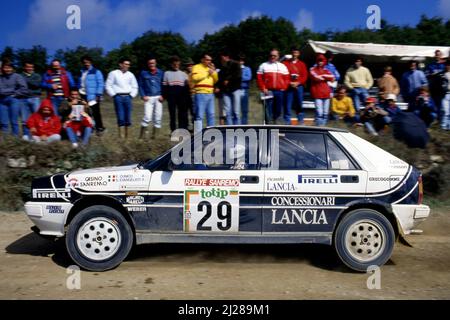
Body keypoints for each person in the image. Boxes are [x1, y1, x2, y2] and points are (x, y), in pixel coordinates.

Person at [105, 57, 138, 139]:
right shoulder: (113, 73)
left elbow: (135, 86)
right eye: (126, 64)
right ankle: (121, 137)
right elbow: (108, 85)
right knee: (120, 116)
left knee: (128, 116)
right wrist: (114, 95)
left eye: (129, 65)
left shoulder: (131, 75)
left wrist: (131, 95)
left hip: (128, 97)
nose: (127, 66)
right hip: (118, 97)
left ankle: (128, 137)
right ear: (120, 64)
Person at [257, 49, 289, 124]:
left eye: (275, 55)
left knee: (278, 109)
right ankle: (269, 124)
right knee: (268, 109)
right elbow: (259, 78)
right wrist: (263, 88)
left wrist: (284, 88)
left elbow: (287, 78)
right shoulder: (263, 65)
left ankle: (276, 123)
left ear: (278, 56)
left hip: (279, 91)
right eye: (271, 55)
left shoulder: (282, 66)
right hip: (268, 91)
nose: (273, 57)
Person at [0, 59, 28, 137]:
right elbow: (0, 91)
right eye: (5, 67)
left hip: (14, 100)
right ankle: (5, 140)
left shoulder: (17, 76)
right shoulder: (1, 78)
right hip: (2, 101)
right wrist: (13, 89)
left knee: (14, 121)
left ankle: (15, 139)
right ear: (2, 68)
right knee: (3, 122)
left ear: (12, 68)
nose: (7, 69)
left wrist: (14, 94)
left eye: (9, 67)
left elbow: (24, 89)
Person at [191, 53, 218, 132]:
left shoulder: (210, 68)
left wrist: (213, 72)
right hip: (200, 93)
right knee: (199, 115)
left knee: (211, 114)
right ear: (202, 60)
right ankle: (198, 133)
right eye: (207, 60)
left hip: (210, 93)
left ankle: (211, 134)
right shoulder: (196, 67)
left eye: (210, 60)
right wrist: (207, 73)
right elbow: (195, 78)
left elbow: (216, 80)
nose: (209, 61)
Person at [138, 57, 164, 139]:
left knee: (158, 118)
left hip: (158, 97)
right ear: (148, 64)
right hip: (148, 98)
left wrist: (163, 95)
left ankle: (154, 137)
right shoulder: (143, 73)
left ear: (155, 63)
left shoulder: (161, 73)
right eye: (150, 63)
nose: (151, 65)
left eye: (153, 63)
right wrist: (143, 95)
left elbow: (164, 85)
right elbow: (140, 85)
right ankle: (141, 137)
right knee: (147, 117)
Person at [78, 55, 105, 135]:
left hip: (93, 96)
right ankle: (90, 128)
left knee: (96, 112)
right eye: (84, 62)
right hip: (83, 94)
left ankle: (100, 128)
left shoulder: (97, 72)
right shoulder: (81, 71)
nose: (86, 64)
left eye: (88, 62)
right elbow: (79, 82)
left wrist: (98, 94)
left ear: (91, 62)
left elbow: (101, 83)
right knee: (86, 113)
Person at [162, 56, 189, 132]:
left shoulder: (184, 74)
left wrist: (186, 97)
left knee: (182, 114)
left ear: (179, 63)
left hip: (181, 95)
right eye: (174, 63)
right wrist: (165, 96)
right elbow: (164, 86)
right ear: (171, 64)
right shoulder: (166, 73)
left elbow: (187, 86)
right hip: (171, 96)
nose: (176, 65)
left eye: (177, 63)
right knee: (172, 114)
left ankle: (182, 130)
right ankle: (173, 130)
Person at [283, 46, 308, 124]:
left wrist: (298, 83)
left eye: (296, 52)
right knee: (288, 104)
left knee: (299, 104)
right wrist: (289, 82)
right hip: (289, 86)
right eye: (293, 52)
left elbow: (305, 76)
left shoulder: (302, 64)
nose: (295, 54)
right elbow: (284, 75)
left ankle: (300, 121)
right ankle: (287, 122)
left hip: (299, 86)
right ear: (291, 53)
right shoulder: (285, 63)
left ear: (299, 54)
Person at [217, 50, 242, 125]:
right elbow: (220, 78)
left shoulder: (236, 64)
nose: (221, 60)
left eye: (222, 58)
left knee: (236, 112)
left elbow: (238, 75)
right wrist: (218, 86)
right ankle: (229, 130)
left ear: (226, 57)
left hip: (235, 90)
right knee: (227, 112)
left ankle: (238, 130)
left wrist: (228, 79)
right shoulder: (222, 67)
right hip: (226, 91)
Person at [309, 54, 335, 126]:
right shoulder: (312, 69)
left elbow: (332, 77)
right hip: (317, 94)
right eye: (319, 61)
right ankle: (319, 128)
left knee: (325, 114)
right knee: (319, 113)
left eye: (322, 61)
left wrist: (322, 76)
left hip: (326, 94)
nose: (320, 62)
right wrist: (325, 77)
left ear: (324, 62)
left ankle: (323, 128)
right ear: (317, 61)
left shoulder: (326, 70)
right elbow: (315, 77)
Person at [20, 62, 42, 140]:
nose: (29, 68)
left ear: (33, 68)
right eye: (28, 67)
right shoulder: (20, 76)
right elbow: (19, 86)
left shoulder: (37, 75)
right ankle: (27, 136)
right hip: (23, 99)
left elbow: (37, 85)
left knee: (37, 118)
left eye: (31, 67)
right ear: (24, 67)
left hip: (35, 98)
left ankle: (37, 136)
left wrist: (26, 80)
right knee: (25, 119)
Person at [426, 50, 446, 116]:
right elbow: (426, 74)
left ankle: (440, 121)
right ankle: (435, 120)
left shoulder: (444, 65)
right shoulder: (431, 65)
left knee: (442, 106)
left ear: (441, 56)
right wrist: (432, 74)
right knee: (434, 105)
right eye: (436, 55)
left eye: (439, 55)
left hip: (442, 89)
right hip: (433, 88)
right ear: (435, 55)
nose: (438, 56)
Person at [238, 54, 252, 125]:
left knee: (244, 110)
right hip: (236, 90)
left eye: (242, 60)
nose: (241, 61)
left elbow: (248, 77)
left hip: (244, 90)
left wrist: (239, 78)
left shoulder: (247, 68)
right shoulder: (235, 68)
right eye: (240, 60)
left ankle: (244, 125)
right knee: (236, 110)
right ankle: (235, 126)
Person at [183, 58, 196, 128]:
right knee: (185, 112)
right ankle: (186, 126)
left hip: (194, 95)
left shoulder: (196, 73)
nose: (190, 67)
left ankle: (195, 128)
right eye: (188, 65)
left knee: (194, 112)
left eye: (191, 65)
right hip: (185, 96)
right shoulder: (183, 74)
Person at [440, 60, 450, 130]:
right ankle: (443, 127)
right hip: (445, 94)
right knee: (445, 111)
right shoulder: (442, 74)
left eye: (449, 65)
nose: (448, 66)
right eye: (447, 65)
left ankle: (449, 127)